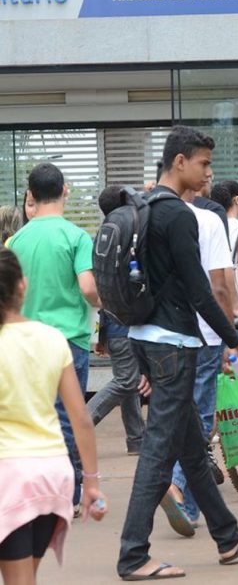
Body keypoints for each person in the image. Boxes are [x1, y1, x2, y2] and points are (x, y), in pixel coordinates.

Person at [117, 126, 238, 580]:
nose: (207, 173)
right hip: (173, 345)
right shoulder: (179, 216)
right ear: (179, 161)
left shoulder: (143, 208)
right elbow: (201, 292)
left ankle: (227, 536)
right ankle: (133, 555)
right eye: (203, 163)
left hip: (144, 337)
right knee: (158, 452)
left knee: (192, 449)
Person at [0, 248, 107, 584]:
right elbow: (81, 418)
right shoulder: (51, 338)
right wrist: (91, 481)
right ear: (22, 285)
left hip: (10, 478)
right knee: (25, 577)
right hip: (52, 475)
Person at [8, 163, 102, 515]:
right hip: (68, 340)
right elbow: (88, 287)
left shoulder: (16, 240)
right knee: (69, 416)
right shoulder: (76, 237)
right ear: (64, 191)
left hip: (24, 340)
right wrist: (103, 303)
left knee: (33, 415)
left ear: (31, 195)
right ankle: (69, 494)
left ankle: (34, 491)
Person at [161, 181, 238, 535]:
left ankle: (188, 505)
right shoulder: (208, 220)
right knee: (201, 417)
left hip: (165, 334)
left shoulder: (154, 217)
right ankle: (179, 488)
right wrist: (230, 337)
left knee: (177, 413)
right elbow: (220, 285)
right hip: (205, 334)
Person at [86, 186, 145, 457]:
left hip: (111, 324)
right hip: (124, 325)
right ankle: (81, 423)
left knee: (128, 380)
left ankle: (137, 439)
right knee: (126, 380)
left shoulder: (104, 237)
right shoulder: (126, 238)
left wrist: (100, 335)